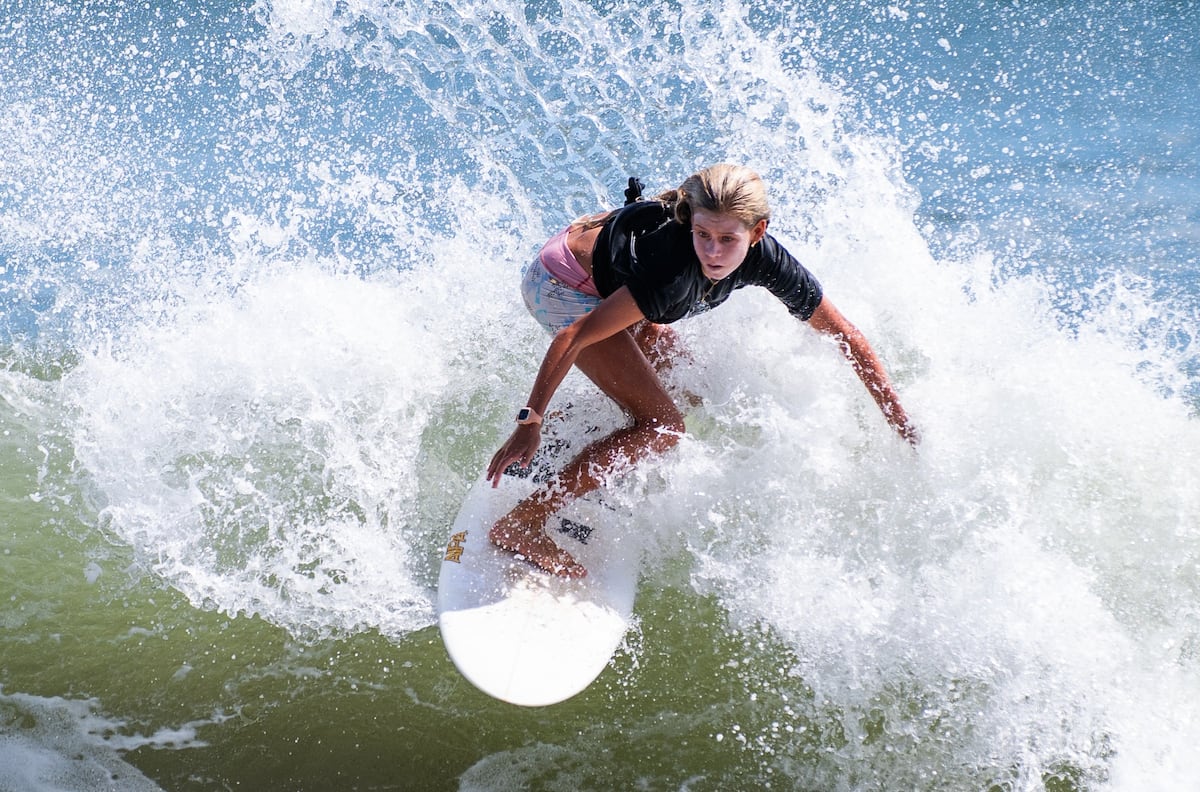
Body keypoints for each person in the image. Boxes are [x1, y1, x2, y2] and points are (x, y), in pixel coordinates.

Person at [485, 164, 917, 578]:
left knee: (684, 382)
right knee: (663, 426)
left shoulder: (769, 262)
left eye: (727, 239)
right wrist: (530, 420)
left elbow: (845, 334)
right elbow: (574, 336)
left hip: (609, 271)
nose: (713, 251)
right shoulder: (672, 270)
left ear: (757, 232)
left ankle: (566, 441)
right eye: (703, 235)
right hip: (562, 286)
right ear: (690, 222)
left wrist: (899, 420)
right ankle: (524, 520)